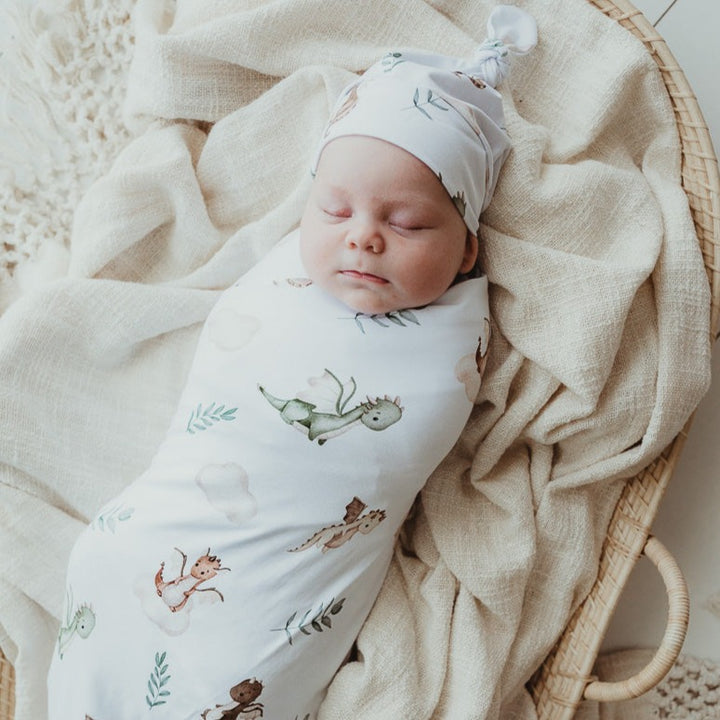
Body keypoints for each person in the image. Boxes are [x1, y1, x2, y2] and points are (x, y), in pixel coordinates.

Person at [46, 6, 536, 718]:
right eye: (335, 210)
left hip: (265, 593)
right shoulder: (280, 277)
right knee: (104, 584)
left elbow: (396, 441)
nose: (363, 238)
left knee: (224, 682)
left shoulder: (447, 344)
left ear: (466, 250)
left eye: (405, 224)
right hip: (152, 534)